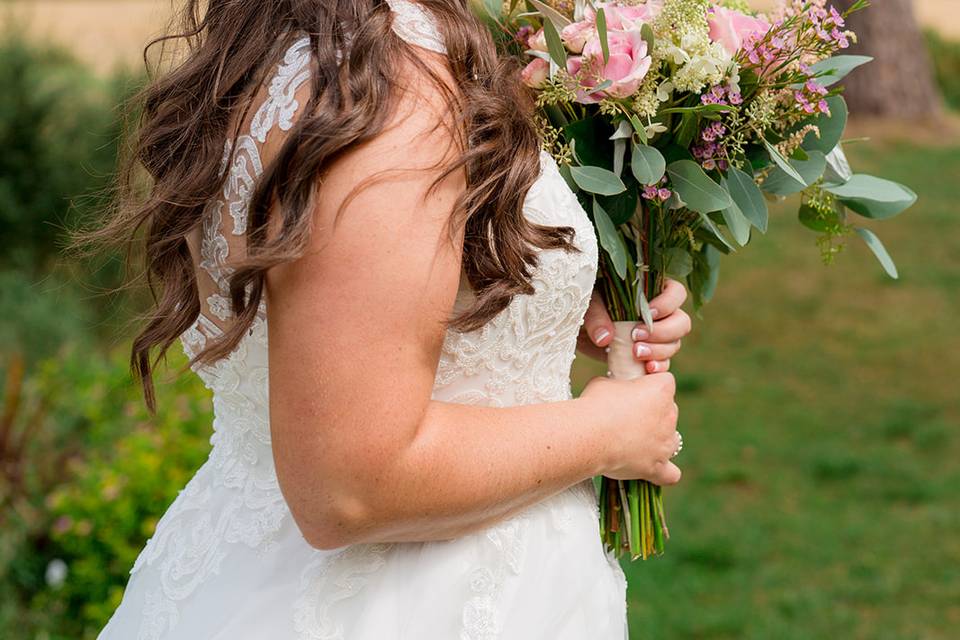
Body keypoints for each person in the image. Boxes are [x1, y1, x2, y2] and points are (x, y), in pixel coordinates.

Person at [95, 0, 691, 637]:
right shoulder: (393, 80)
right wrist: (606, 432)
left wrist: (540, 305)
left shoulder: (300, 41)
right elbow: (351, 483)